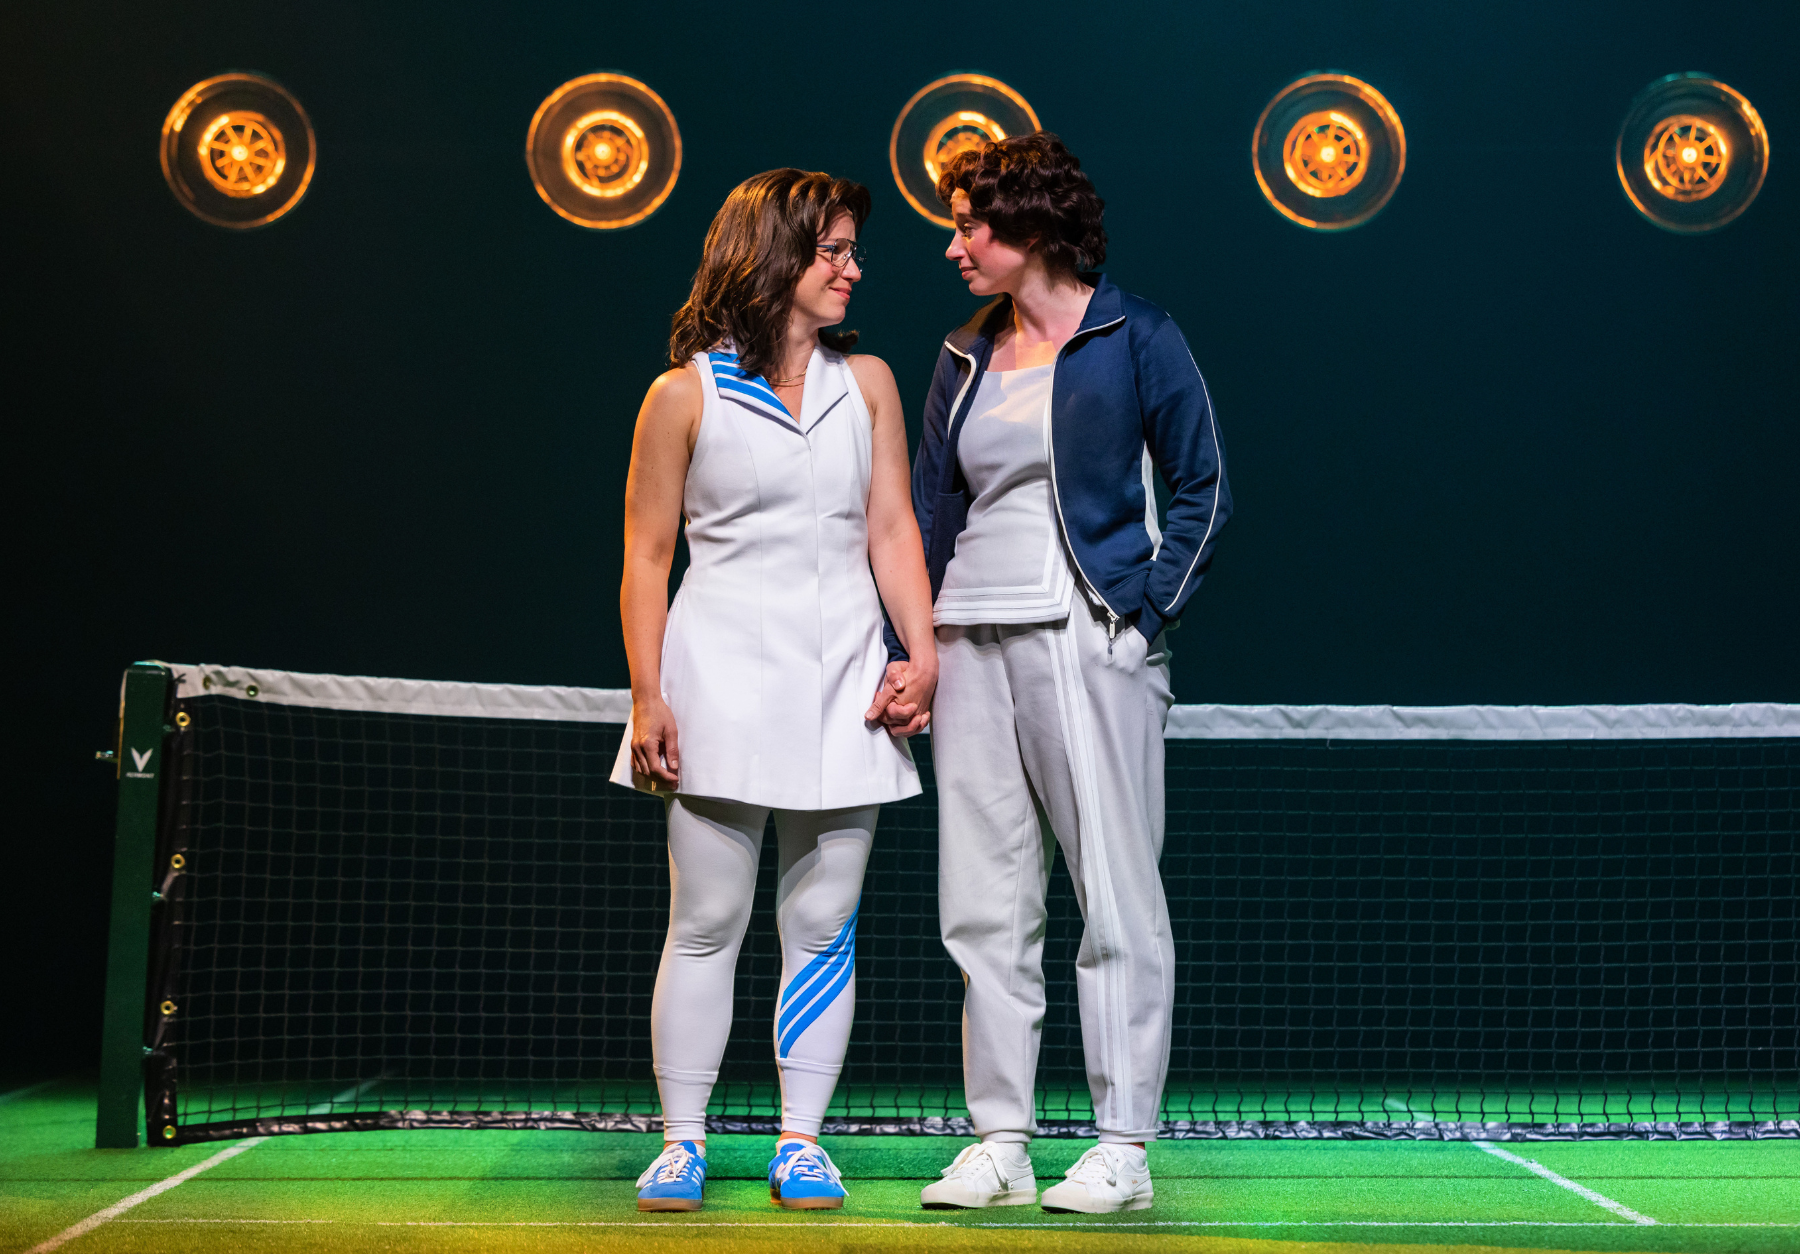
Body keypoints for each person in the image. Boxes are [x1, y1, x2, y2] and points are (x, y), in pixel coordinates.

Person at [911, 134, 1230, 1214]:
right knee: (983, 907)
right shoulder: (960, 354)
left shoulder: (1137, 334)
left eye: (972, 224)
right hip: (967, 639)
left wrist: (1142, 615)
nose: (955, 244)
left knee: (1116, 899)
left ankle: (1123, 1149)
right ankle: (1000, 1142)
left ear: (1032, 226)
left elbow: (1206, 485)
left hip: (1090, 640)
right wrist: (915, 641)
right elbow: (926, 513)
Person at [613, 168, 937, 1212]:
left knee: (826, 924)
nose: (852, 268)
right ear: (774, 258)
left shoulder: (871, 383)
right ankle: (682, 1140)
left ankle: (802, 1140)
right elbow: (645, 556)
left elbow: (893, 530)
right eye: (833, 250)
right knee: (706, 920)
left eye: (851, 250)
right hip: (714, 685)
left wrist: (920, 654)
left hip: (846, 683)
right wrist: (647, 695)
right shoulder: (683, 395)